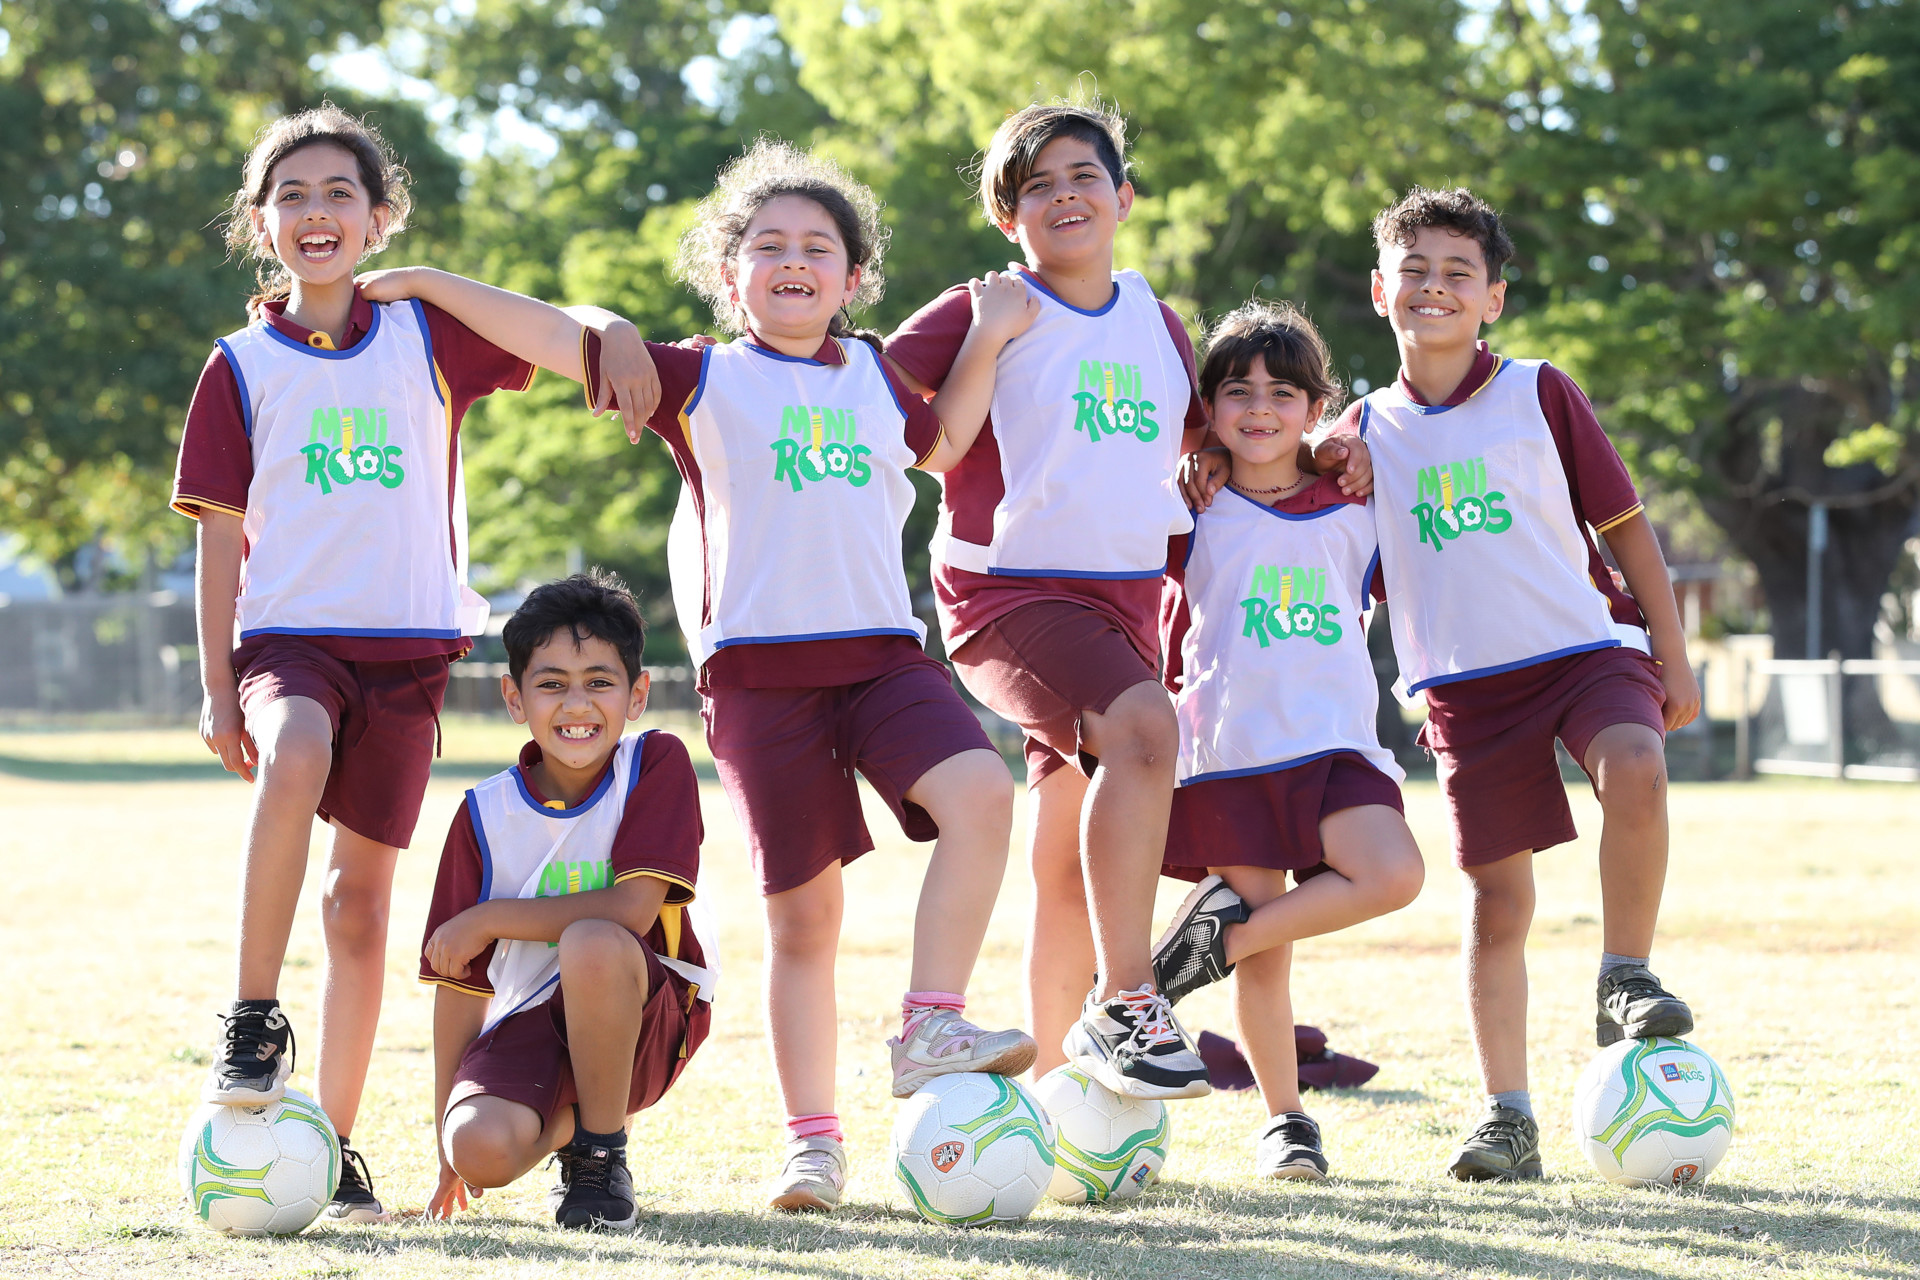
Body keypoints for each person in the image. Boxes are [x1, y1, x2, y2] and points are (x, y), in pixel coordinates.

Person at [362, 138, 1038, 1213]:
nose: (793, 262)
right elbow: (547, 333)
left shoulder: (876, 374)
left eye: (818, 246)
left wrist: (994, 335)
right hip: (762, 680)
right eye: (766, 246)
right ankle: (812, 1141)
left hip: (882, 659)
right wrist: (433, 283)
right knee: (804, 920)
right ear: (731, 279)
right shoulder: (703, 379)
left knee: (984, 789)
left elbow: (946, 440)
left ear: (855, 278)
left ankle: (929, 1019)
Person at [170, 104, 635, 1222]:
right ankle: (248, 1019)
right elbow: (220, 539)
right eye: (292, 195)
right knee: (292, 748)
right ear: (261, 223)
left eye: (341, 194)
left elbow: (564, 337)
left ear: (377, 219)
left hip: (410, 651)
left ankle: (329, 1144)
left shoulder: (427, 339)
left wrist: (449, 284)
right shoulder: (237, 366)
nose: (316, 212)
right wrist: (214, 681)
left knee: (363, 903)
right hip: (291, 643)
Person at [1189, 187, 1701, 1181]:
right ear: (1380, 290)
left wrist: (1671, 654)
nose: (1434, 287)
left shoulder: (1540, 391)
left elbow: (1628, 526)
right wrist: (1201, 461)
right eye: (1413, 270)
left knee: (1636, 763)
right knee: (1498, 903)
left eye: (1457, 272)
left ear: (1493, 297)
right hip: (1466, 689)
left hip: (1587, 650)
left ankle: (1625, 972)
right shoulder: (1356, 439)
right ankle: (1508, 1116)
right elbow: (1264, 471)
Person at [885, 101, 1366, 1100]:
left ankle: (1067, 1094)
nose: (1065, 195)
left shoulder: (1152, 319)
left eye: (1083, 177)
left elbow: (1221, 440)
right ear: (1007, 218)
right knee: (1148, 732)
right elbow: (879, 412)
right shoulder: (984, 303)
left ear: (1124, 197)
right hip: (1007, 593)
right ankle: (1132, 997)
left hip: (1124, 606)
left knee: (1066, 860)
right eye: (1036, 186)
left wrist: (1331, 445)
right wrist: (983, 336)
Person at [1150, 301, 1425, 1181]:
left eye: (1282, 392)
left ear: (1316, 407)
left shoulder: (1358, 503)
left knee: (1393, 874)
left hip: (1341, 744)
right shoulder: (1192, 506)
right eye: (1238, 392)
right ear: (1210, 409)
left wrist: (1362, 455)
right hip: (1233, 748)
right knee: (1272, 956)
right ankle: (1285, 1124)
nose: (1260, 408)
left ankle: (1194, 956)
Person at [420, 572, 713, 1232]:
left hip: (652, 1010)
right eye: (551, 683)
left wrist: (490, 917)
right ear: (514, 698)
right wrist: (444, 1149)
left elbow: (633, 911)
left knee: (592, 939)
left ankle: (599, 1156)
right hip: (531, 1018)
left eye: (599, 682)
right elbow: (459, 989)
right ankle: (575, 1114)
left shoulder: (654, 764)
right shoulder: (482, 815)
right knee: (477, 1148)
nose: (575, 704)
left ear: (637, 694)